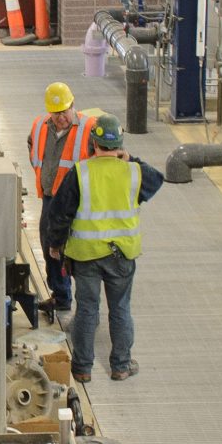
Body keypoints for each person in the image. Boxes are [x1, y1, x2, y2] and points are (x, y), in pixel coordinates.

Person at [43, 115, 163, 381]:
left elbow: (59, 213)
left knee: (87, 309)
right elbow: (158, 179)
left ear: (92, 144)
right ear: (120, 145)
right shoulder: (133, 172)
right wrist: (130, 159)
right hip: (122, 255)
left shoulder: (81, 172)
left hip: (85, 256)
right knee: (120, 308)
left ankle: (82, 369)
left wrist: (55, 245)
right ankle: (120, 365)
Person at [27, 82, 95, 316]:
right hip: (51, 199)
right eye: (56, 113)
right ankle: (61, 296)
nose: (60, 118)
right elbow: (31, 147)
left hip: (81, 203)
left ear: (73, 106)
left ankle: (87, 304)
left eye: (64, 112)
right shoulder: (39, 125)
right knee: (50, 248)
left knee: (80, 251)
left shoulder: (89, 128)